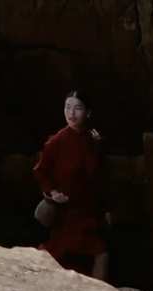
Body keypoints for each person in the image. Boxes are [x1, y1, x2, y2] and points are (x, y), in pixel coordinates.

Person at [34, 89, 112, 278]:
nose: (71, 113)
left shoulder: (93, 139)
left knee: (101, 252)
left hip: (88, 209)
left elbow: (100, 179)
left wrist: (107, 209)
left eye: (77, 108)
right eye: (67, 107)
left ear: (88, 112)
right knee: (61, 250)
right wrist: (52, 192)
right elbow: (40, 171)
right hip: (65, 210)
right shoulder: (56, 141)